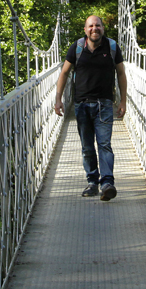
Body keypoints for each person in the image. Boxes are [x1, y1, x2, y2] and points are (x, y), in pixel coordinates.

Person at [53, 15, 128, 201]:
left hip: (104, 104)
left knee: (104, 144)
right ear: (85, 29)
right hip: (81, 105)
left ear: (103, 28)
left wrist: (123, 101)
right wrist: (58, 99)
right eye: (91, 26)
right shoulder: (77, 48)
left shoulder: (111, 47)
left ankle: (107, 183)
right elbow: (64, 72)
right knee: (87, 147)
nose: (95, 29)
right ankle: (92, 182)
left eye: (98, 26)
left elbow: (121, 73)